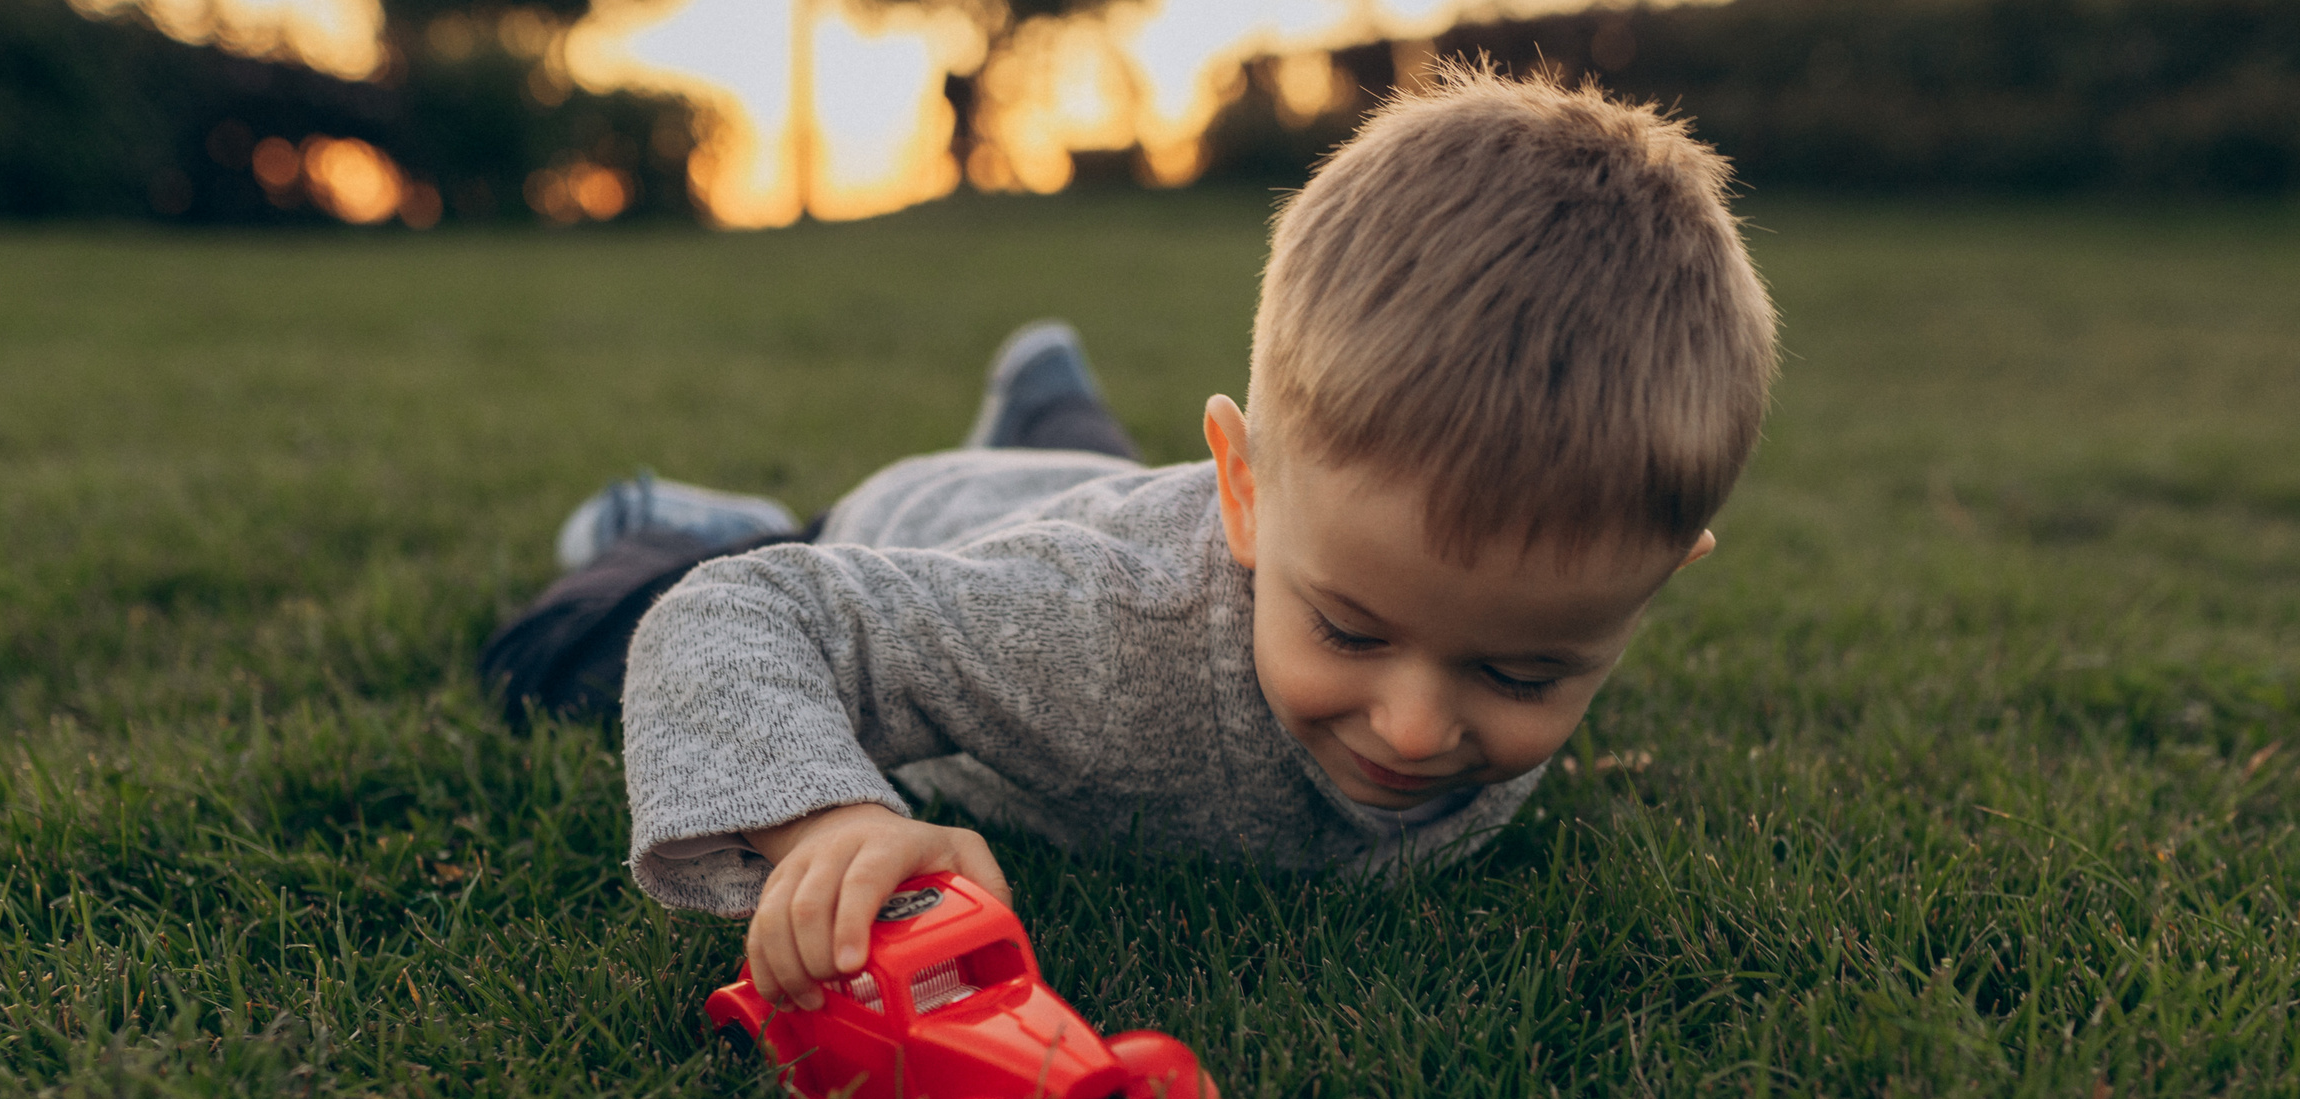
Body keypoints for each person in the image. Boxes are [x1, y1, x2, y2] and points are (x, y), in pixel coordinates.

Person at [480, 65, 1778, 1013]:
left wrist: (1402, 642)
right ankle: (681, 519)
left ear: (1655, 587)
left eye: (1521, 675)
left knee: (1100, 488)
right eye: (1351, 631)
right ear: (1248, 491)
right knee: (549, 657)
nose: (1418, 730)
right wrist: (822, 827)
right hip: (929, 530)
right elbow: (740, 622)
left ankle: (1050, 399)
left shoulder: (1501, 565)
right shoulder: (1083, 635)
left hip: (1106, 502)